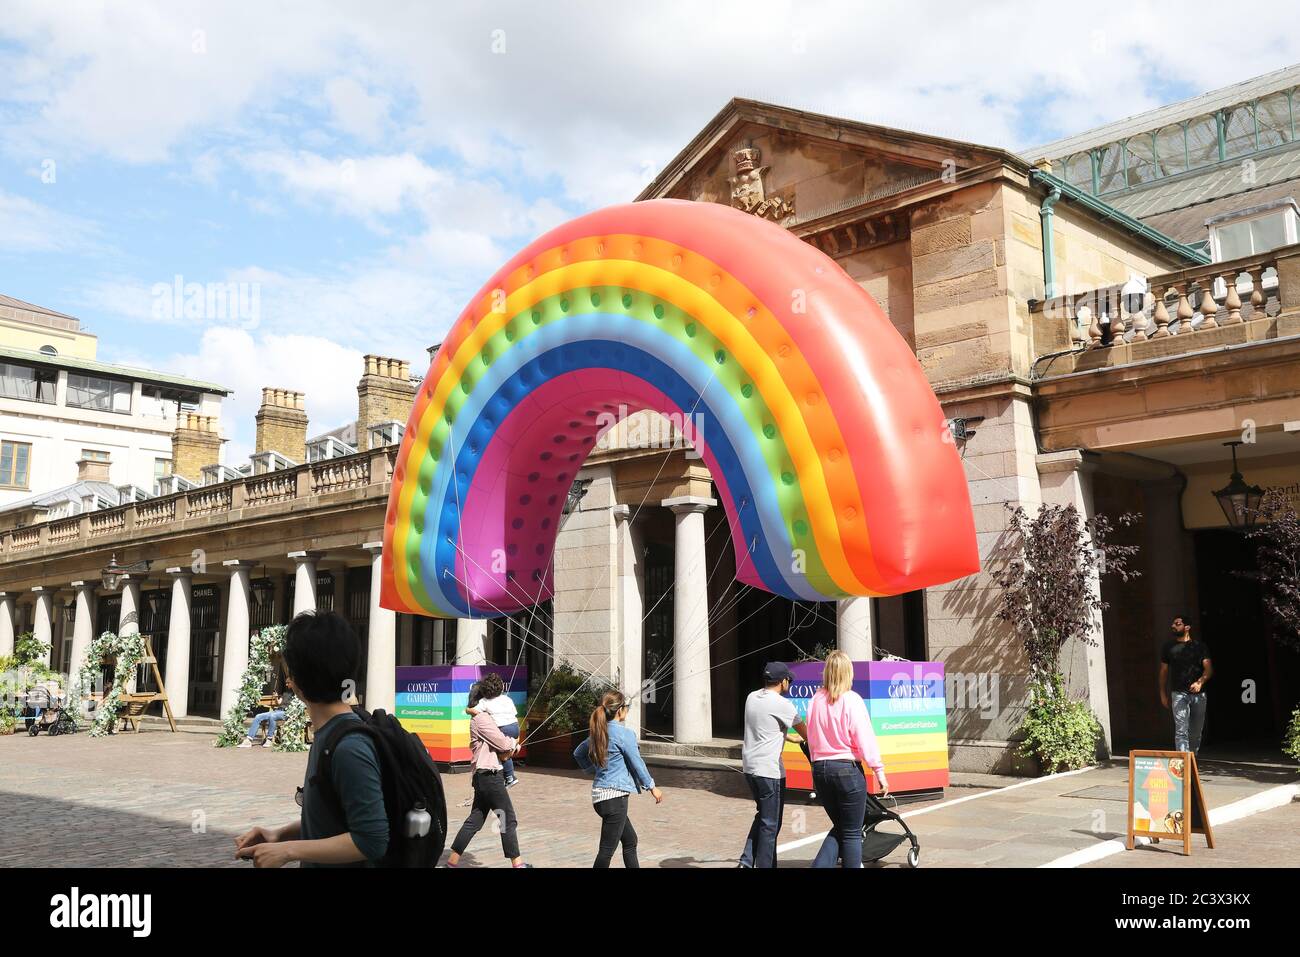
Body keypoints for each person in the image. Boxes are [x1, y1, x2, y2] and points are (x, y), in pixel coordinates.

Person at [233, 611, 389, 867]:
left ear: (294, 681)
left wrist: (289, 851)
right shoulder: (331, 735)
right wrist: (280, 836)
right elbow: (331, 820)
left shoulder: (350, 747)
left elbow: (371, 839)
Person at [806, 650, 887, 869]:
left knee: (842, 827)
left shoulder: (815, 700)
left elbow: (811, 736)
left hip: (820, 770)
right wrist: (879, 771)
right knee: (851, 832)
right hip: (847, 770)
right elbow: (865, 738)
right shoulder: (852, 700)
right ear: (848, 673)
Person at [573, 690, 663, 868]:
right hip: (615, 799)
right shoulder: (625, 734)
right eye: (627, 707)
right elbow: (637, 763)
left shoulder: (598, 732)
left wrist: (594, 770)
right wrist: (652, 787)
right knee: (606, 851)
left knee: (630, 840)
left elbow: (578, 753)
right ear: (620, 710)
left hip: (600, 799)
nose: (627, 710)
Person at [446, 682, 531, 868]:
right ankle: (518, 864)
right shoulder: (482, 719)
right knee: (507, 818)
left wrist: (509, 746)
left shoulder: (482, 718)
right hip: (490, 777)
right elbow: (501, 743)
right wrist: (514, 744)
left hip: (484, 777)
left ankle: (452, 862)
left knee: (475, 820)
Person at [738, 661, 807, 868]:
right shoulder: (782, 704)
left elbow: (765, 728)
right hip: (769, 771)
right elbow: (806, 732)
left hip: (750, 767)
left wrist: (787, 738)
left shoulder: (751, 697)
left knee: (763, 817)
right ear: (783, 681)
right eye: (789, 681)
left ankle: (746, 862)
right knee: (770, 824)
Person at [1160, 614, 1213, 755]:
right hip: (1178, 694)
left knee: (1195, 732)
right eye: (1173, 623)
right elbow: (1163, 671)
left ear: (1187, 627)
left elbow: (1208, 669)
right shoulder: (1168, 647)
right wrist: (1162, 693)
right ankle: (1184, 763)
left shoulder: (1199, 647)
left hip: (1199, 695)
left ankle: (1192, 758)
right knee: (1181, 730)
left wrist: (1200, 682)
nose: (1173, 626)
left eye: (1177, 623)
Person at [466, 672, 520, 786]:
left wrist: (467, 710)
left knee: (502, 754)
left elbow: (475, 711)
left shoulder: (484, 701)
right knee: (506, 751)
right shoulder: (507, 699)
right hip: (515, 726)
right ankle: (514, 749)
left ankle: (510, 776)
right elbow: (514, 713)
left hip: (503, 728)